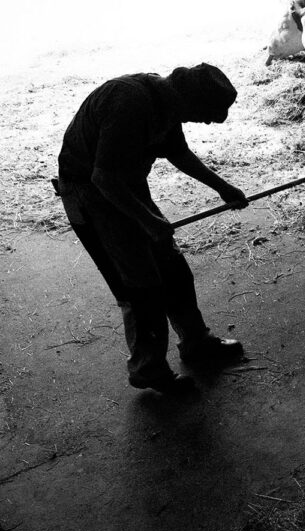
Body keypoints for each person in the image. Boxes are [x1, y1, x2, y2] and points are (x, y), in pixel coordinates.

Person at [56, 63, 249, 394]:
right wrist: (147, 220)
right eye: (206, 113)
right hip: (90, 192)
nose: (207, 121)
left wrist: (223, 188)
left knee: (172, 266)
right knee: (141, 284)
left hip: (124, 182)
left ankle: (196, 342)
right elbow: (102, 177)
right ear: (190, 100)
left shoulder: (167, 102)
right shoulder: (130, 103)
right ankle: (149, 369)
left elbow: (178, 153)